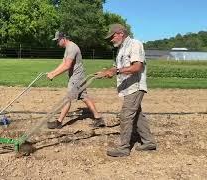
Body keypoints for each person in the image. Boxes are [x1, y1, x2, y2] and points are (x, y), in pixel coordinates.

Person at [95, 24, 156, 157]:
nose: (111, 39)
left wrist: (115, 71)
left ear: (120, 33)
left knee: (125, 116)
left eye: (112, 36)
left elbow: (137, 67)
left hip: (135, 86)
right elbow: (118, 68)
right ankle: (149, 142)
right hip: (127, 87)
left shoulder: (135, 44)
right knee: (137, 115)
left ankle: (123, 148)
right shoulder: (122, 48)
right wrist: (105, 72)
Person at [46, 31, 105, 129]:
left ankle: (59, 122)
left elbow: (67, 65)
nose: (57, 43)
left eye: (58, 40)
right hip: (78, 76)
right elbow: (63, 62)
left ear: (63, 39)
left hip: (76, 78)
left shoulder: (72, 48)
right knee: (84, 97)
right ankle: (98, 118)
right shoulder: (68, 48)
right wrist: (53, 72)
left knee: (67, 99)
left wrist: (54, 75)